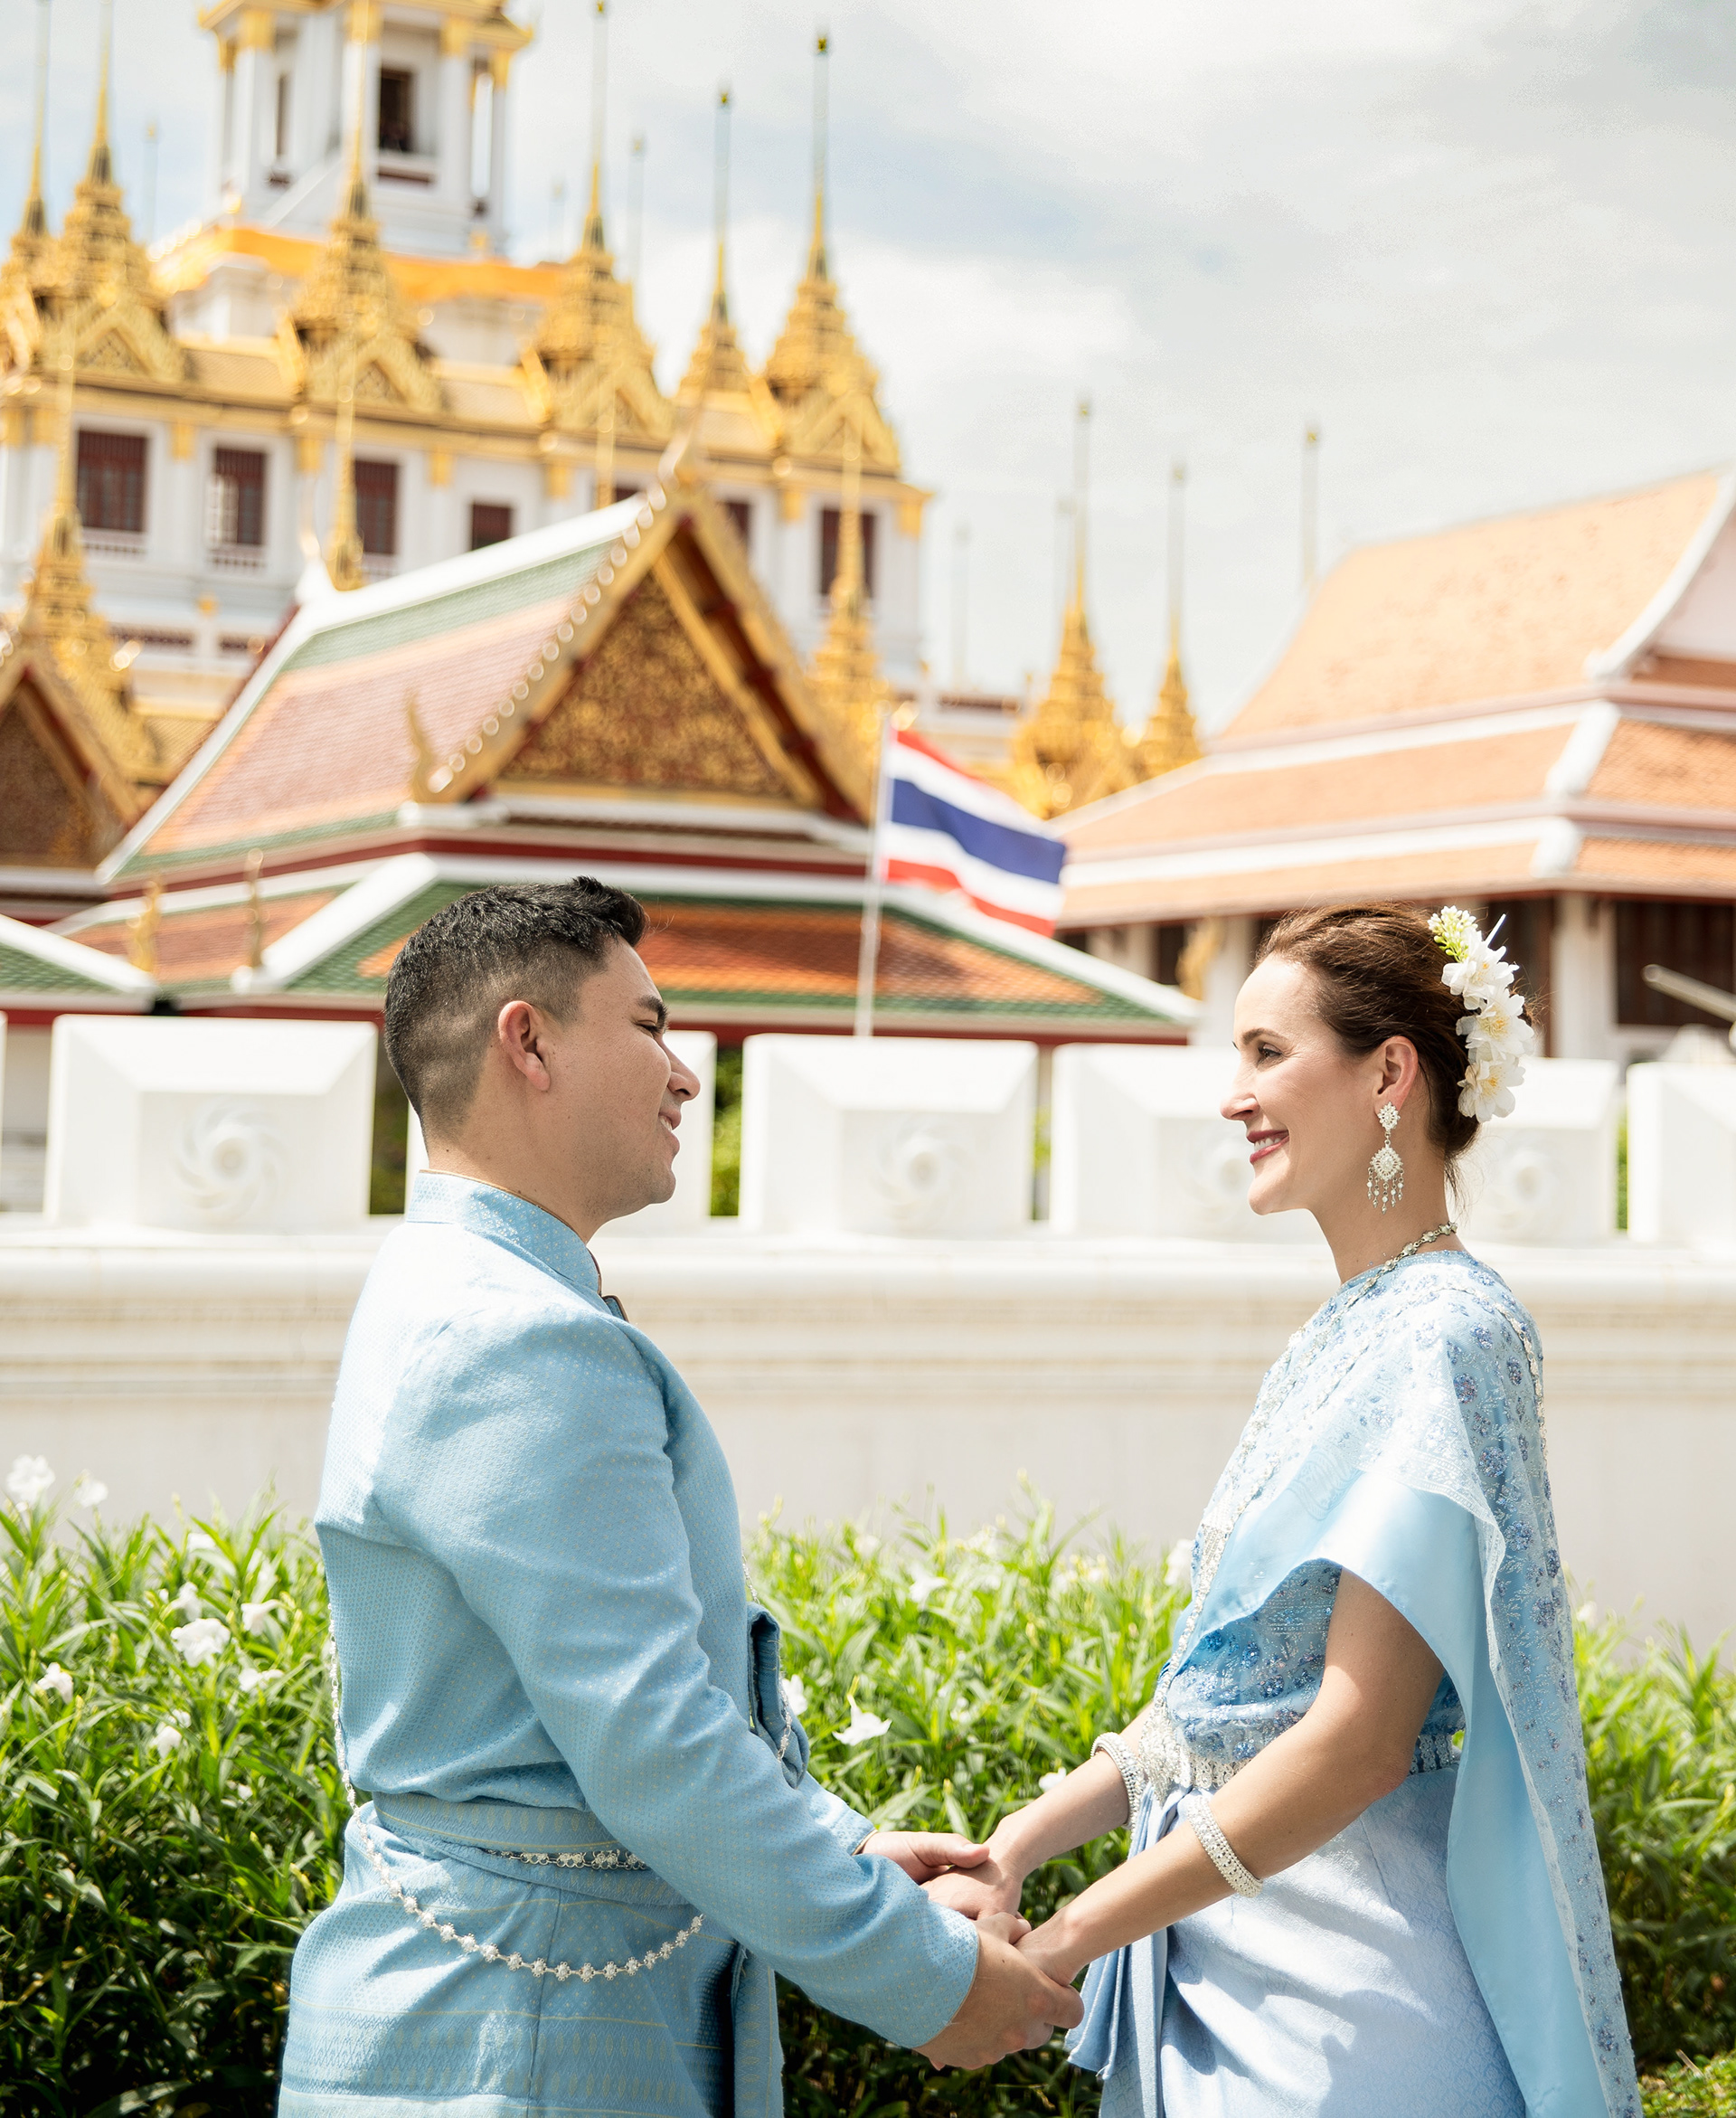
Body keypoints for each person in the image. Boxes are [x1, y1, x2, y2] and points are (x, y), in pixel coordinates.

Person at [279, 880, 1080, 2118]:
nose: (684, 1074)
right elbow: (653, 1737)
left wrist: (843, 1852)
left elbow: (620, 1714)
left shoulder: (463, 1288)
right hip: (531, 2040)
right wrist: (924, 1974)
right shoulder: (514, 1334)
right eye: (649, 1024)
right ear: (527, 1040)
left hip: (528, 1999)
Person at [929, 903, 1640, 2118]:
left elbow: (1358, 1738)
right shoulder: (1347, 1331)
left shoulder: (1448, 1332)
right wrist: (1015, 1843)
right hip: (1243, 1964)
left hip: (1342, 2011)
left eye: (1267, 1050)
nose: (1232, 1093)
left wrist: (1067, 1937)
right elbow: (1222, 1705)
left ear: (1391, 1073)